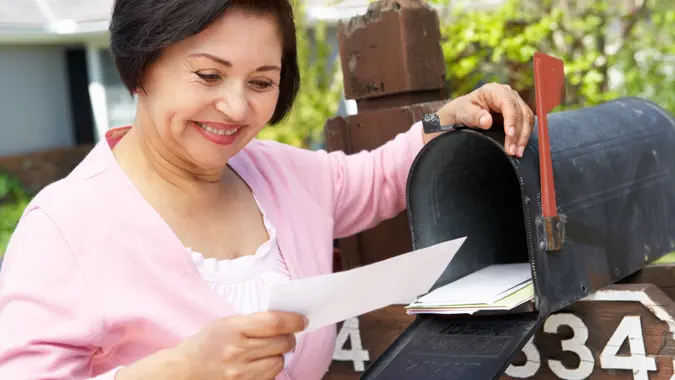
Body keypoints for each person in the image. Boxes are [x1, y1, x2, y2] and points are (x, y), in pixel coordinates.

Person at [0, 0, 534, 379]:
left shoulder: (280, 174)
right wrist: (174, 373)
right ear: (142, 66)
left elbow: (374, 180)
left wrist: (449, 120)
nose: (236, 109)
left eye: (260, 82)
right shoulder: (64, 226)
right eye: (208, 76)